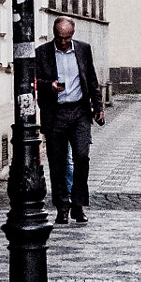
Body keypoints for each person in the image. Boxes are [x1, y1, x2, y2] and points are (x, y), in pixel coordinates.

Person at [35, 16, 103, 224]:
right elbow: (34, 80)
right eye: (59, 37)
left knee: (81, 157)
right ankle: (62, 207)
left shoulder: (83, 49)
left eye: (66, 38)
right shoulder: (42, 52)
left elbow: (91, 79)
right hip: (56, 113)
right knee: (58, 163)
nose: (62, 42)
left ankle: (78, 205)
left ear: (72, 35)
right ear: (54, 34)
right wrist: (50, 86)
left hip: (79, 111)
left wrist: (98, 106)